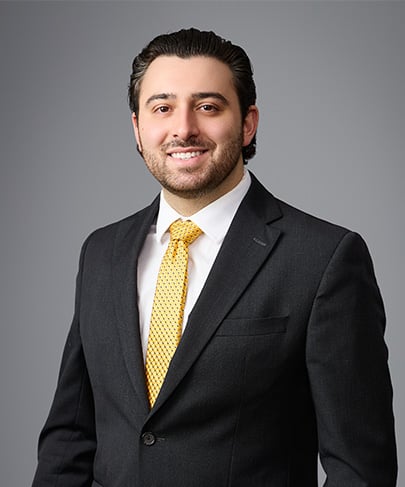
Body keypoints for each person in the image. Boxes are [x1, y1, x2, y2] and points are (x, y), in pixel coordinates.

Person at [32, 28, 397, 486]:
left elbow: (361, 470)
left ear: (247, 124)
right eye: (162, 108)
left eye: (207, 107)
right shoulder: (101, 253)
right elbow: (69, 439)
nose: (183, 128)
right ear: (138, 128)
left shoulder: (324, 259)